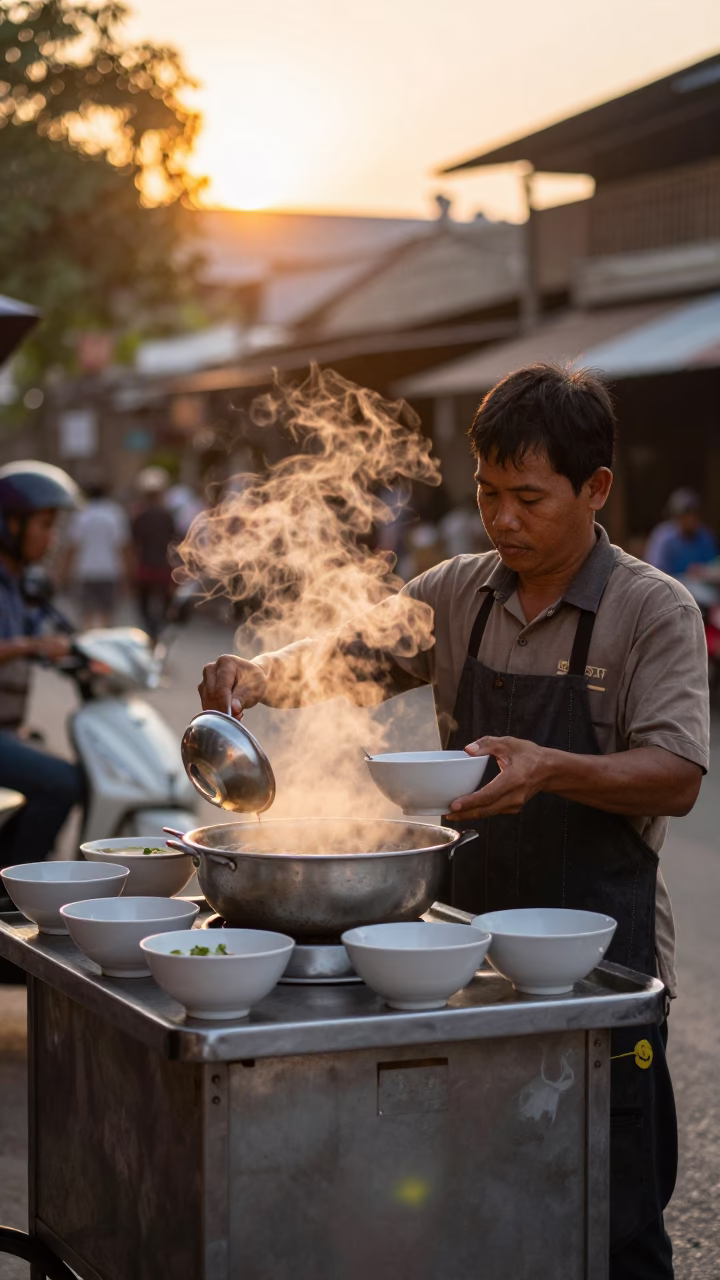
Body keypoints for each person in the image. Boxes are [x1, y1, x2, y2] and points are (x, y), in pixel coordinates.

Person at [198, 363, 709, 1279]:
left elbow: (675, 777)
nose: (502, 520)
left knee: (611, 1209)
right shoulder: (457, 591)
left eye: (528, 498)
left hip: (602, 960)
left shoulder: (651, 610)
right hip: (464, 950)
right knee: (475, 1195)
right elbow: (345, 654)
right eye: (486, 493)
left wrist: (552, 769)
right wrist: (256, 672)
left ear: (596, 489)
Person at [0, 462, 85, 868]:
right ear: (11, 524)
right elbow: (28, 642)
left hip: (9, 728)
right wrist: (31, 645)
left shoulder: (17, 582)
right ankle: (16, 891)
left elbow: (50, 634)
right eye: (44, 525)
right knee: (62, 781)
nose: (52, 539)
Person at [63, 480, 131, 627]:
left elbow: (73, 546)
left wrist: (64, 573)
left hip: (86, 571)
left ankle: (88, 647)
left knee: (87, 616)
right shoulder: (114, 513)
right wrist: (127, 575)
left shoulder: (82, 515)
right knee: (107, 616)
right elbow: (122, 546)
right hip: (109, 571)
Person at [130, 466, 176, 643]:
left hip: (145, 567)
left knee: (144, 606)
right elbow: (175, 542)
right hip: (163, 567)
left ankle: (152, 634)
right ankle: (159, 634)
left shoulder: (139, 517)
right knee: (165, 605)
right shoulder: (167, 516)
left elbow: (134, 545)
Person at [644, 487, 717, 578]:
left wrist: (702, 571)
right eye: (686, 514)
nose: (691, 519)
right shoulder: (664, 537)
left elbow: (713, 566)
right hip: (671, 586)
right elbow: (656, 572)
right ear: (676, 516)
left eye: (694, 513)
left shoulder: (705, 536)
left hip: (702, 585)